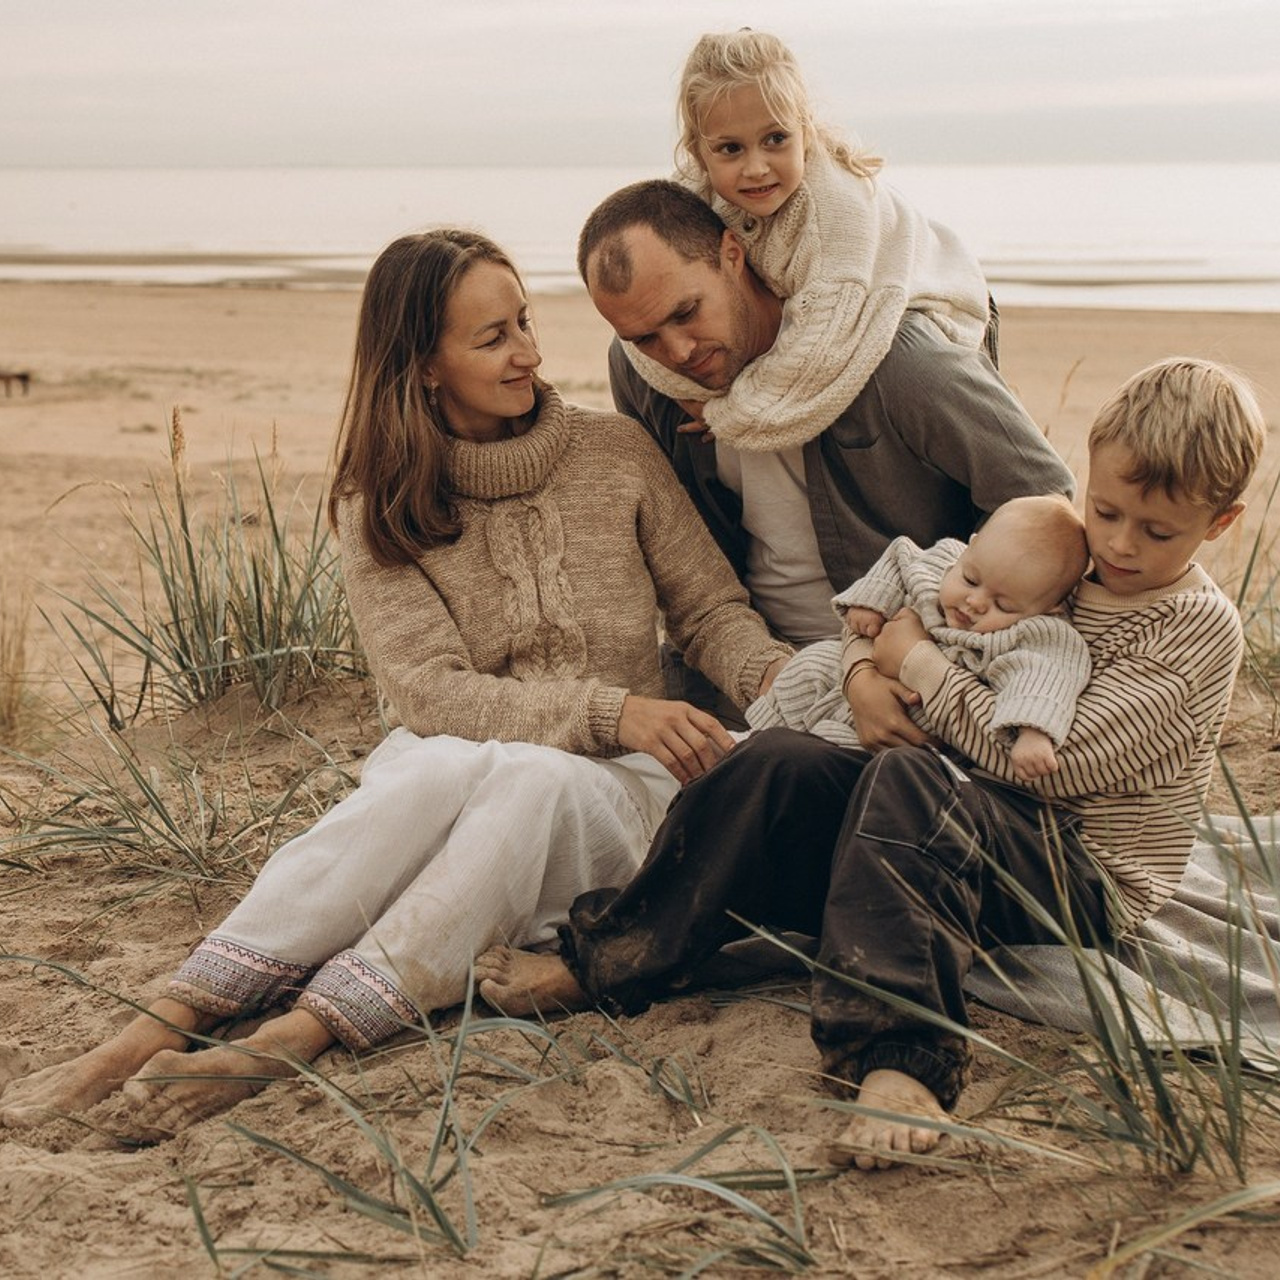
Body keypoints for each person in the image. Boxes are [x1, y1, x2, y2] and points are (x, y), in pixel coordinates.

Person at [0, 230, 791, 1137]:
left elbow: (711, 613)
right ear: (423, 366)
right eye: (492, 338)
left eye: (524, 323)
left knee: (531, 778)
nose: (528, 353)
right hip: (464, 775)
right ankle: (157, 1024)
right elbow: (428, 693)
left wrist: (786, 683)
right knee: (436, 765)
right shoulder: (376, 498)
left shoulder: (615, 452)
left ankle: (297, 1033)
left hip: (614, 791)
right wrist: (610, 708)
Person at [477, 357, 1265, 1171]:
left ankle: (900, 1058)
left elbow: (1055, 765)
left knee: (910, 779)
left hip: (1074, 874)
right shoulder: (1063, 557)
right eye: (1106, 510)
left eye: (1158, 532)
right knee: (778, 759)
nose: (1122, 543)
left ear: (1220, 523)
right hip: (940, 812)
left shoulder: (1191, 628)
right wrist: (864, 666)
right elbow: (912, 604)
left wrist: (915, 662)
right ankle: (612, 958)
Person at [578, 179, 1075, 738]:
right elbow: (682, 564)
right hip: (737, 680)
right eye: (644, 338)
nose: (678, 352)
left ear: (732, 255)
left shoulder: (897, 362)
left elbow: (1041, 502)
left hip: (903, 681)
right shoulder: (647, 377)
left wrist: (926, 641)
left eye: (687, 312)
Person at [624, 28, 991, 448]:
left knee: (887, 374)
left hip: (938, 305)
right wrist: (688, 389)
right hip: (841, 307)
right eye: (730, 149)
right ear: (698, 154)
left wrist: (725, 415)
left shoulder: (837, 215)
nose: (756, 168)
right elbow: (639, 302)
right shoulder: (692, 194)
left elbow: (818, 353)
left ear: (805, 131)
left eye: (776, 139)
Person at [749, 493, 1091, 782]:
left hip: (909, 727)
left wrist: (1034, 732)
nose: (974, 602)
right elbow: (900, 557)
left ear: (1049, 609)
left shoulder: (1036, 634)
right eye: (971, 580)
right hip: (852, 681)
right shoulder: (943, 561)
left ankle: (775, 762)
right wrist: (872, 602)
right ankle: (754, 738)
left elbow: (1045, 676)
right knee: (811, 662)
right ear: (970, 549)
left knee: (828, 747)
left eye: (1003, 605)